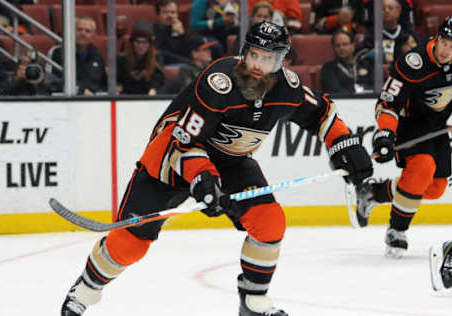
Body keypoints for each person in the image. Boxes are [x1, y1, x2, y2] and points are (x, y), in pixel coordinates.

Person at [60, 21, 373, 316]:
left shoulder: (287, 89)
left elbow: (322, 113)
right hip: (169, 162)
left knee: (269, 222)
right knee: (130, 244)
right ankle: (85, 290)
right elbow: (183, 144)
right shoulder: (218, 83)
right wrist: (204, 181)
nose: (256, 65)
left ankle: (254, 302)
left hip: (231, 163)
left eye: (266, 58)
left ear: (280, 63)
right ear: (243, 53)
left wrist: (344, 144)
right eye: (252, 55)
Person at [353, 17, 452, 258]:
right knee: (422, 168)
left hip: (437, 122)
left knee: (435, 187)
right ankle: (397, 231)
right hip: (408, 121)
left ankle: (374, 193)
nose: (447, 50)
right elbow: (388, 104)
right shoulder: (413, 63)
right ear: (436, 38)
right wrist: (385, 134)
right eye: (444, 43)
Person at [46, 16, 107, 95]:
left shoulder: (97, 54)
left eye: (87, 31)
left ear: (93, 36)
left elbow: (103, 84)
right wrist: (80, 91)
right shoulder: (57, 52)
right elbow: (50, 81)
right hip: (64, 100)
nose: (83, 33)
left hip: (93, 101)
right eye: (79, 29)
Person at [117, 21, 165, 95]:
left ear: (150, 44)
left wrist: (153, 89)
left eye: (145, 42)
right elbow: (118, 82)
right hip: (127, 97)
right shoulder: (122, 59)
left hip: (149, 97)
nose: (141, 46)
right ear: (132, 43)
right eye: (137, 42)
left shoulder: (156, 58)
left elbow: (158, 80)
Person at [320, 29, 373, 94]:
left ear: (353, 46)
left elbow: (375, 88)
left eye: (345, 44)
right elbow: (335, 92)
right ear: (334, 48)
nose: (341, 48)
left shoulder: (366, 65)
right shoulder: (328, 69)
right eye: (337, 45)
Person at [152, 0, 192, 65]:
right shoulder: (152, 30)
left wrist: (182, 34)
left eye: (173, 12)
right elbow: (162, 52)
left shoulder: (181, 30)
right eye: (165, 12)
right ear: (158, 15)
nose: (170, 16)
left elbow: (189, 52)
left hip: (184, 65)